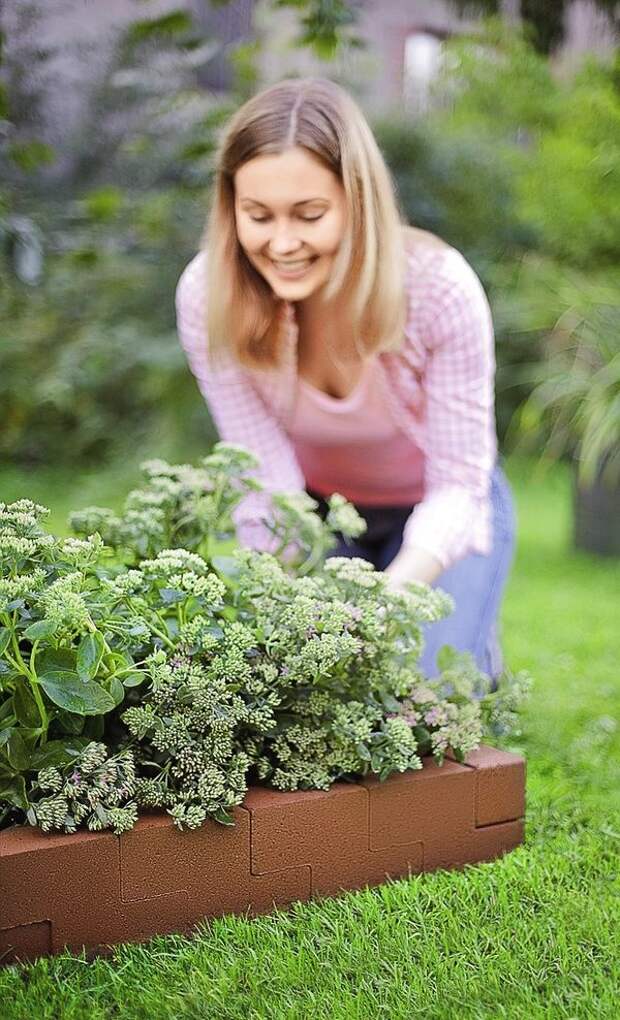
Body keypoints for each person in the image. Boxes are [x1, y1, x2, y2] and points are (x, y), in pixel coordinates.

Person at [175, 76, 516, 682]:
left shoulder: (437, 288)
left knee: (420, 695)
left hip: (440, 508)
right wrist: (281, 615)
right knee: (308, 683)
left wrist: (385, 607)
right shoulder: (209, 295)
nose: (282, 243)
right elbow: (265, 479)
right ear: (231, 209)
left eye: (309, 215)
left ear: (357, 203)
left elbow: (460, 484)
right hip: (318, 514)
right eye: (258, 215)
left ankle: (471, 643)